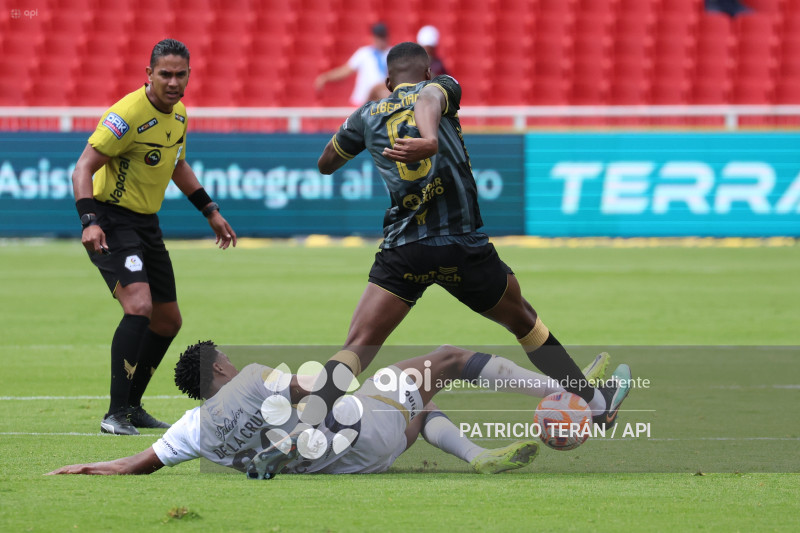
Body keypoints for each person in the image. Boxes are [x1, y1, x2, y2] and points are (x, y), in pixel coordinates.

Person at [306, 42, 630, 446]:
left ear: (388, 82)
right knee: (524, 321)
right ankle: (597, 404)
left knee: (358, 346)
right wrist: (429, 139)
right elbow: (428, 97)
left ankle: (304, 428)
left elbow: (325, 163)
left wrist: (362, 135)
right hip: (462, 244)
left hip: (404, 248)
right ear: (427, 71)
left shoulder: (366, 115)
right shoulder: (441, 86)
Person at [47, 341, 621, 477]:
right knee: (449, 360)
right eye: (225, 357)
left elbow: (137, 464)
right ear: (218, 368)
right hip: (365, 424)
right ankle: (572, 399)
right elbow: (317, 386)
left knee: (421, 416)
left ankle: (476, 456)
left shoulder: (193, 429)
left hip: (354, 464)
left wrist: (88, 469)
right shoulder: (251, 378)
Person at [71, 39, 237, 436]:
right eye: (165, 74)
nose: (173, 82)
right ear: (149, 74)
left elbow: (177, 165)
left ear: (189, 76)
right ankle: (113, 414)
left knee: (167, 321)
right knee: (140, 305)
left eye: (181, 74)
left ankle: (132, 406)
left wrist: (210, 210)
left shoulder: (179, 115)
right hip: (112, 219)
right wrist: (89, 221)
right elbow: (82, 167)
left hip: (147, 223)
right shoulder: (126, 115)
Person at [315, 22, 391, 105]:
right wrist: (326, 77)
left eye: (382, 37)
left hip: (381, 101)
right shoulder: (364, 53)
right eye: (378, 37)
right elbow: (345, 70)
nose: (380, 40)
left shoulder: (391, 53)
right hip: (362, 101)